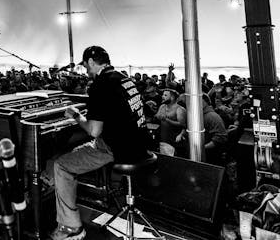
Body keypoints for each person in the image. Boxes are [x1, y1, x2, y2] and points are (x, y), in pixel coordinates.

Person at [49, 46, 148, 240]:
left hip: (116, 148)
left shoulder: (100, 85)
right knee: (77, 150)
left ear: (92, 62)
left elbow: (94, 130)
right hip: (138, 144)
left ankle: (71, 228)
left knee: (61, 165)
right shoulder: (123, 78)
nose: (86, 71)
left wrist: (76, 115)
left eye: (86, 66)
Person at [153, 88, 186, 155]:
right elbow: (157, 116)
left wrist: (167, 120)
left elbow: (182, 125)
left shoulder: (179, 109)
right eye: (163, 95)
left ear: (172, 97)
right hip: (164, 139)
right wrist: (157, 116)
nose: (162, 96)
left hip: (175, 141)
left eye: (165, 95)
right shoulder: (162, 106)